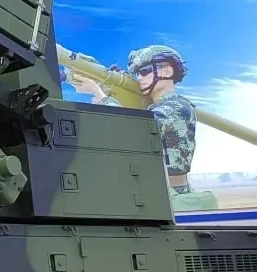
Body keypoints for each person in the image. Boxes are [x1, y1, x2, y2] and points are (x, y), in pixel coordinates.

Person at [68, 45, 200, 197]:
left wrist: (100, 95)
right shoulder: (152, 108)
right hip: (150, 191)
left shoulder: (178, 107)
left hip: (172, 195)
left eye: (145, 72)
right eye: (137, 74)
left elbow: (133, 128)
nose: (139, 78)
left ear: (167, 71)